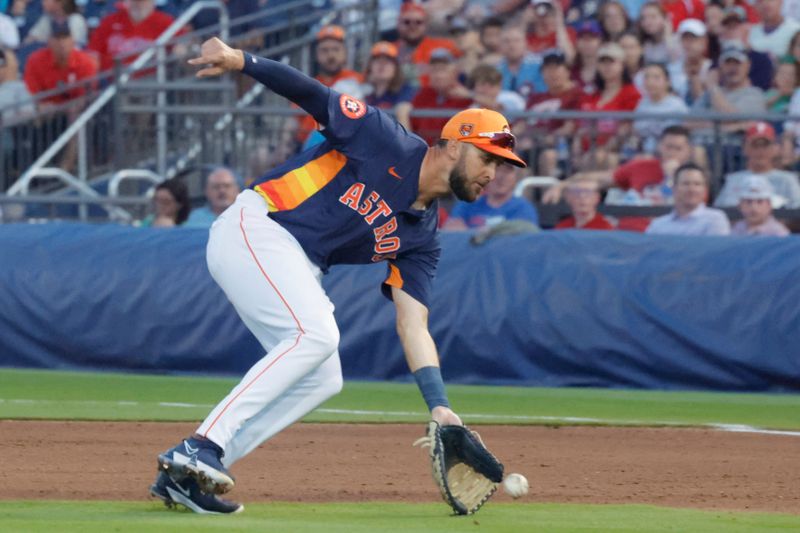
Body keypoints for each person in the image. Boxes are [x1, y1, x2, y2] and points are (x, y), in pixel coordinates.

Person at [151, 36, 527, 515]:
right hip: (260, 223)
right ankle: (199, 446)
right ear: (453, 147)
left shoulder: (423, 236)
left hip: (294, 261)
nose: (494, 172)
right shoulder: (385, 138)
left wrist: (440, 406)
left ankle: (189, 472)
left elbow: (413, 325)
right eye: (488, 158)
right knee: (316, 335)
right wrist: (241, 60)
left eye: (501, 164)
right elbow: (311, 93)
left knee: (325, 376)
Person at [543, 124, 695, 206]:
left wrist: (672, 176)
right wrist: (562, 185)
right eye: (669, 147)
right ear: (660, 147)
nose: (672, 153)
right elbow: (597, 178)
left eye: (678, 149)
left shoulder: (695, 178)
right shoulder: (641, 166)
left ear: (688, 151)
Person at [714, 122, 800, 208]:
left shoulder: (787, 180)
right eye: (755, 145)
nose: (760, 150)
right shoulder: (734, 179)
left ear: (775, 149)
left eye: (765, 145)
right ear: (745, 148)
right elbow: (720, 210)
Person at [87, 0, 177, 72]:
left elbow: (182, 45)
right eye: (135, 1)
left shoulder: (165, 22)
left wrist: (180, 48)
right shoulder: (110, 21)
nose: (138, 5)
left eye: (142, 1)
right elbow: (93, 52)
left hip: (149, 82)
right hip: (111, 80)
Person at [443, 163, 538, 229]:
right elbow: (451, 231)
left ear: (515, 177)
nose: (501, 177)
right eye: (496, 170)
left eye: (507, 171)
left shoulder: (523, 209)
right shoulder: (467, 204)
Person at [409, 48, 473, 146]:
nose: (438, 75)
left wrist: (471, 95)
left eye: (443, 69)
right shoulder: (423, 95)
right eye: (434, 70)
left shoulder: (466, 98)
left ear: (455, 71)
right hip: (425, 154)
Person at [23, 20, 97, 105]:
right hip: (47, 113)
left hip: (77, 111)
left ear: (72, 40)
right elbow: (31, 93)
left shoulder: (85, 61)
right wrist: (41, 106)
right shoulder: (35, 60)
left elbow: (87, 95)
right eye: (57, 38)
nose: (62, 43)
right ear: (49, 41)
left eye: (65, 38)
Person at [646, 162, 731, 235]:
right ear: (674, 188)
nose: (691, 189)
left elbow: (716, 252)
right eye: (686, 184)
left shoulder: (715, 219)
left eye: (697, 184)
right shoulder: (658, 225)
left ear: (705, 190)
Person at [394, 2, 460, 89]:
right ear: (398, 23)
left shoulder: (445, 45)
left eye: (418, 22)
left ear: (426, 25)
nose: (412, 26)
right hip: (396, 97)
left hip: (431, 95)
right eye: (407, 22)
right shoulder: (389, 49)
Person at [633, 63, 689, 152]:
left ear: (668, 82)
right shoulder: (641, 103)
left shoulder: (677, 105)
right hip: (643, 151)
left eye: (656, 78)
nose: (650, 82)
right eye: (647, 77)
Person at [497, 24, 545, 100]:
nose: (512, 45)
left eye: (516, 40)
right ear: (500, 45)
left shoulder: (540, 65)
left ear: (525, 43)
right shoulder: (495, 70)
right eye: (507, 41)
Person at [571, 19, 602, 92]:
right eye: (583, 38)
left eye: (591, 38)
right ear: (577, 42)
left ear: (600, 41)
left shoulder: (607, 68)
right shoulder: (572, 71)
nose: (587, 43)